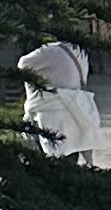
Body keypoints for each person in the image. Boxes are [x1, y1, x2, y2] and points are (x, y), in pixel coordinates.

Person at [18, 36, 103, 164]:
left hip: (52, 112)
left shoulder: (50, 50)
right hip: (74, 109)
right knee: (70, 156)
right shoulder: (78, 52)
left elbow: (22, 64)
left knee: (51, 157)